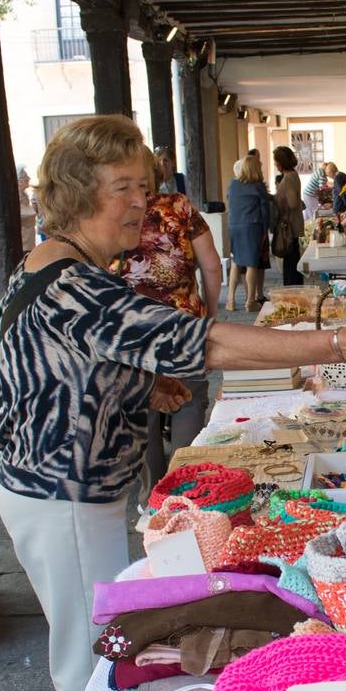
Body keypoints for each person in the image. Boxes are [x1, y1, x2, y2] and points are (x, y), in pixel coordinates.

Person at [0, 115, 346, 691]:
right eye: (123, 186)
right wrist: (336, 342)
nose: (141, 203)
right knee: (86, 664)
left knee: (93, 644)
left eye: (143, 186)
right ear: (76, 190)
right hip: (64, 498)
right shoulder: (72, 284)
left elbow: (69, 367)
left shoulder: (65, 267)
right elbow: (197, 343)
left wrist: (143, 384)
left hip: (63, 493)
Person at [119, 179, 223, 484]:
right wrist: (211, 313)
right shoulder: (178, 206)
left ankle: (151, 496)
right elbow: (212, 266)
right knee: (188, 402)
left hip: (132, 330)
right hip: (183, 325)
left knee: (142, 410)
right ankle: (183, 487)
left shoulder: (111, 213)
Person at [226, 155, 274, 311]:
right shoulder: (257, 186)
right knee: (252, 264)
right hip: (252, 227)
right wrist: (267, 229)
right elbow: (264, 211)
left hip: (234, 226)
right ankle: (250, 302)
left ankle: (230, 301)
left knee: (236, 262)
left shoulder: (233, 184)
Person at [272, 145, 306, 286]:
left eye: (276, 161)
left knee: (290, 262)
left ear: (281, 162)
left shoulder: (289, 177)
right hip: (292, 223)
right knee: (291, 259)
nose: (275, 164)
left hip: (289, 225)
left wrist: (277, 201)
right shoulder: (291, 175)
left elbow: (292, 203)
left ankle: (292, 289)